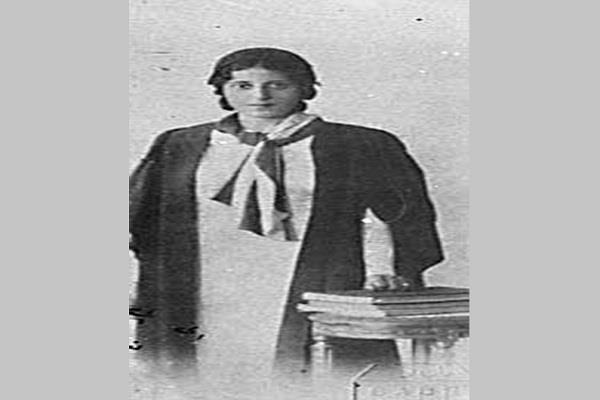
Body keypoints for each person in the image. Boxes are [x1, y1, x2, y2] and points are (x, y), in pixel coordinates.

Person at [129, 47, 444, 398]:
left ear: (304, 88)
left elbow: (396, 215)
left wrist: (384, 269)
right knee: (204, 362)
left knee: (309, 369)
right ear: (222, 90)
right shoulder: (181, 143)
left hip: (306, 273)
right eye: (243, 85)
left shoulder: (360, 144)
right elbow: (144, 217)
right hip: (211, 278)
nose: (260, 96)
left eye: (277, 85)